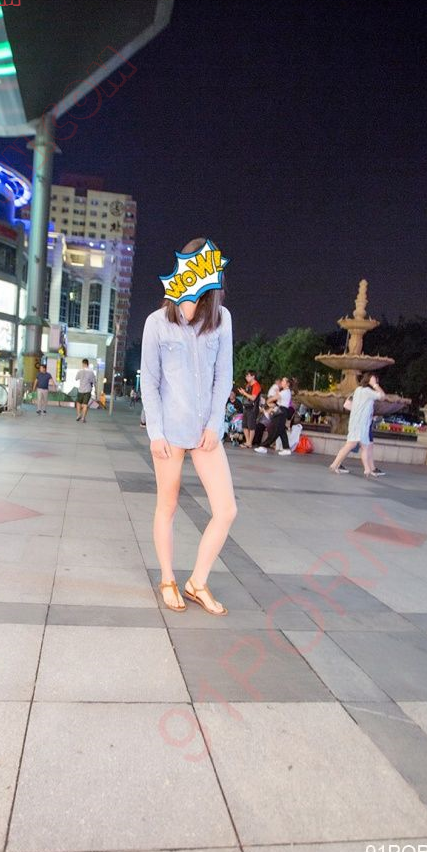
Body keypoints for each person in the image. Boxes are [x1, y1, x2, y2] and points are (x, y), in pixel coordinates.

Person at [140, 238, 236, 615]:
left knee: (226, 510)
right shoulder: (157, 322)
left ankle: (197, 582)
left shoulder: (221, 319)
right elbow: (150, 381)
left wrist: (215, 423)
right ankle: (167, 579)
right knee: (167, 506)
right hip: (169, 431)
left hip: (205, 432)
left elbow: (223, 376)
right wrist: (156, 433)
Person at [329, 373, 386, 477]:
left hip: (358, 423)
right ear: (369, 381)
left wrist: (361, 412)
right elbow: (382, 396)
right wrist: (375, 385)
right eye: (374, 380)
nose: (376, 382)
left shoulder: (358, 390)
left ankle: (367, 469)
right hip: (361, 424)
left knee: (364, 446)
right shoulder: (367, 391)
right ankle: (334, 464)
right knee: (351, 445)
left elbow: (347, 404)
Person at [255, 376, 293, 454]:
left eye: (283, 381)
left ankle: (264, 446)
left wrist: (269, 400)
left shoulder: (285, 392)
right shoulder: (284, 391)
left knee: (274, 430)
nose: (281, 382)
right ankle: (286, 448)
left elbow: (272, 399)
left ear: (288, 384)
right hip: (280, 410)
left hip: (281, 411)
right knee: (281, 430)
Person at [238, 370, 261, 448]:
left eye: (248, 376)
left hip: (253, 408)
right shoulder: (248, 385)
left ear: (253, 376)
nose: (246, 377)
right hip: (246, 407)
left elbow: (253, 398)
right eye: (246, 376)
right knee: (244, 425)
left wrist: (244, 393)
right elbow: (247, 396)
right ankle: (247, 441)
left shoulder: (256, 385)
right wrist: (243, 392)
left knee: (251, 426)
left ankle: (250, 442)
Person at [74, 358, 96, 423]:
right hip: (88, 390)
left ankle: (78, 415)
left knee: (78, 402)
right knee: (85, 404)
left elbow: (76, 378)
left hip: (81, 390)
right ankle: (83, 418)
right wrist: (95, 390)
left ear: (83, 364)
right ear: (88, 364)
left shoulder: (80, 371)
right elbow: (94, 381)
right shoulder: (91, 372)